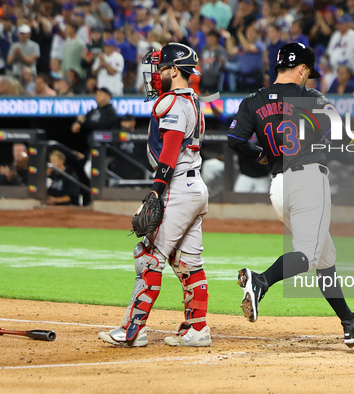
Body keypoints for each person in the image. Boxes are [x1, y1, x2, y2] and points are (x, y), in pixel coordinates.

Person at [227, 43, 354, 347]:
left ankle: (350, 323)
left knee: (325, 257)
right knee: (308, 255)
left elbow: (235, 138)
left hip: (278, 188)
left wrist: (262, 156)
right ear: (302, 69)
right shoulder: (311, 98)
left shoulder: (253, 100)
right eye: (308, 72)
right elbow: (340, 132)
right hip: (308, 180)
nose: (309, 77)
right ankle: (261, 281)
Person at [99, 43, 212, 347]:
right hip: (195, 187)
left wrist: (155, 192)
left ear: (175, 71)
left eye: (161, 68)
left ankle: (132, 330)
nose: (156, 74)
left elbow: (170, 152)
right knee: (188, 262)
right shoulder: (193, 100)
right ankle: (197, 328)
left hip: (177, 186)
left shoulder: (174, 103)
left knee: (148, 258)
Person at [71, 87, 119, 205]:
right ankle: (92, 197)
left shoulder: (110, 112)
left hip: (106, 151)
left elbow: (101, 125)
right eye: (96, 93)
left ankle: (104, 191)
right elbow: (83, 120)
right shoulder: (93, 111)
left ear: (108, 96)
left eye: (100, 94)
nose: (97, 96)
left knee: (90, 170)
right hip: (92, 150)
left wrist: (84, 122)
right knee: (85, 169)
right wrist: (78, 122)